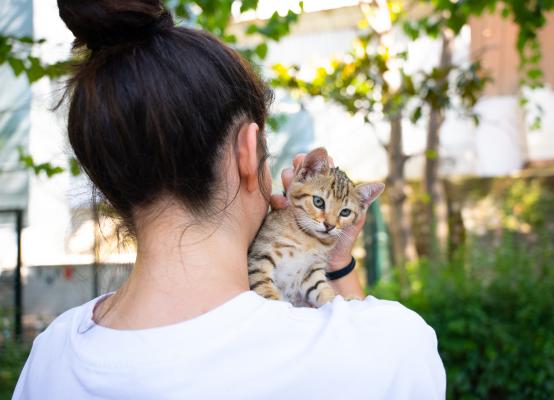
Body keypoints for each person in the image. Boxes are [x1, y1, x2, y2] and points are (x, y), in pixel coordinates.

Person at [12, 1, 445, 399]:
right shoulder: (390, 349)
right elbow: (359, 336)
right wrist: (340, 265)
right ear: (246, 151)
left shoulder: (49, 359)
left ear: (109, 182)